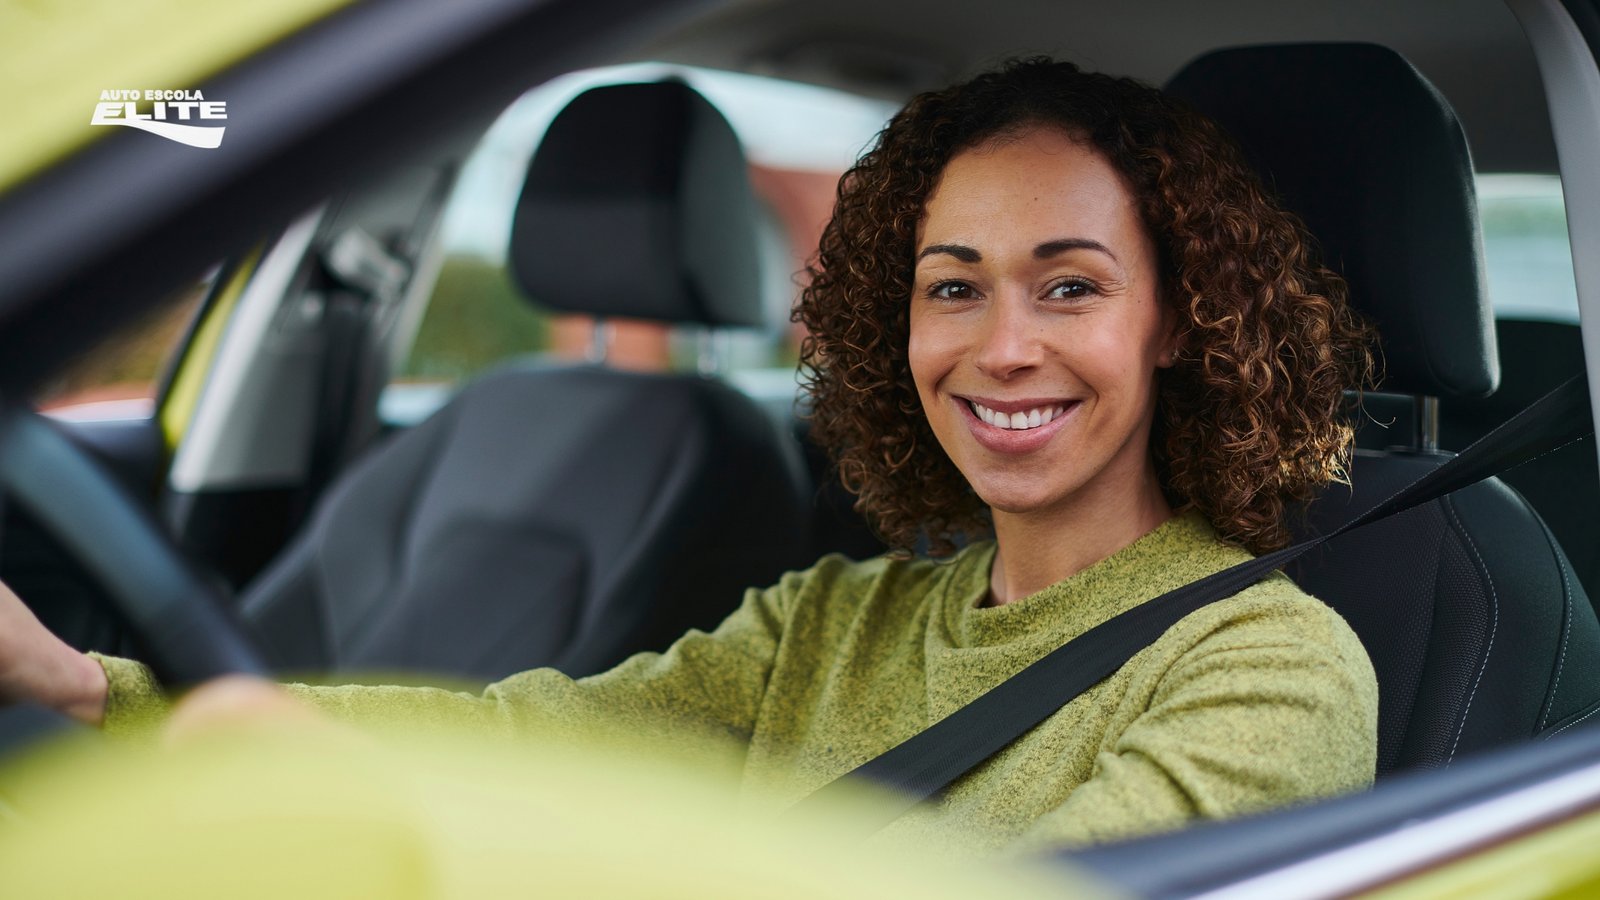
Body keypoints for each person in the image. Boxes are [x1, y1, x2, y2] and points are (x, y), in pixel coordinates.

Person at [0, 58, 1378, 854]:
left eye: (1069, 287)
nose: (998, 347)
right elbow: (530, 737)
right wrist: (84, 692)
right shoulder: (837, 617)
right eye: (952, 287)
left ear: (1184, 327)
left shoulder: (1269, 669)